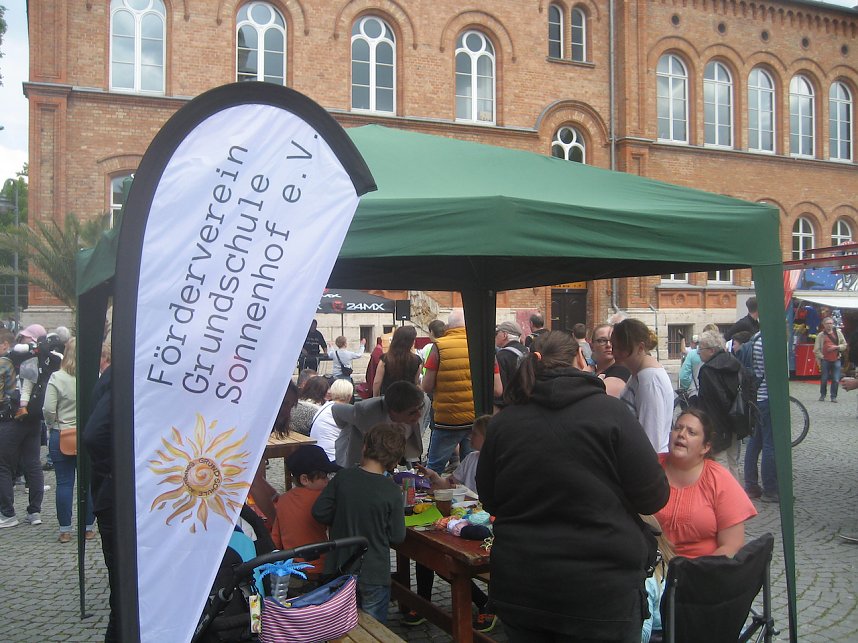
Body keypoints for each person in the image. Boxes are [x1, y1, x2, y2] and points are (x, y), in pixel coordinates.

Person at [476, 330, 669, 642]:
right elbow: (653, 496)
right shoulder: (612, 413)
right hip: (601, 590)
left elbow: (490, 498)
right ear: (581, 358)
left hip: (524, 585)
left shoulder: (503, 423)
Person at [312, 423, 407, 624]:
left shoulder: (343, 477)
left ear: (364, 447)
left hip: (339, 566)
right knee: (373, 629)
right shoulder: (391, 490)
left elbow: (319, 512)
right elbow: (397, 536)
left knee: (339, 627)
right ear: (394, 460)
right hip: (374, 570)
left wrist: (341, 517)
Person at [411, 414, 496, 632]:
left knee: (447, 560)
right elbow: (449, 485)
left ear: (487, 437)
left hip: (485, 528)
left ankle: (488, 604)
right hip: (461, 522)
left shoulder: (499, 463)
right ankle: (423, 601)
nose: (470, 436)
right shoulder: (471, 458)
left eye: (475, 433)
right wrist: (433, 476)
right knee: (428, 549)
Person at [655, 409, 757, 558]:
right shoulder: (650, 467)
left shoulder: (719, 479)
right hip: (649, 566)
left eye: (691, 432)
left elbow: (732, 545)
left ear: (705, 447)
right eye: (677, 428)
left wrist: (701, 569)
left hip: (703, 568)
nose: (681, 434)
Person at [43, 338, 95, 543]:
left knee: (64, 483)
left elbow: (48, 408)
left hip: (62, 431)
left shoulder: (57, 377)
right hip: (87, 432)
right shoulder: (93, 376)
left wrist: (52, 423)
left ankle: (65, 529)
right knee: (88, 483)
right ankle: (88, 527)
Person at [270, 445, 341, 576]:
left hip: (292, 568)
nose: (328, 481)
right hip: (321, 567)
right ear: (305, 479)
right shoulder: (323, 499)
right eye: (324, 477)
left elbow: (276, 540)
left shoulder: (283, 500)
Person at [421, 309, 475, 474]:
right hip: (475, 419)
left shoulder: (439, 346)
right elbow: (497, 389)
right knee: (471, 469)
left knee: (434, 468)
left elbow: (426, 386)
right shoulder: (480, 345)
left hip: (448, 419)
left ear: (448, 326)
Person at [612, 318, 674, 454]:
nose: (615, 352)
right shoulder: (639, 373)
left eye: (622, 348)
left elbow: (651, 439)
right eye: (614, 346)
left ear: (640, 348)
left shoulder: (650, 380)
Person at [332, 380, 428, 467]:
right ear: (393, 412)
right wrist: (345, 428)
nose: (419, 415)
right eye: (412, 413)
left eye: (419, 409)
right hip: (358, 457)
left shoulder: (421, 403)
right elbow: (336, 409)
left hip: (388, 457)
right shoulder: (365, 412)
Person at [0, 329, 38, 529]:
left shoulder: (4, 363)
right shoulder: (33, 360)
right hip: (32, 416)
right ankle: (35, 512)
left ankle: (7, 513)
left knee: (3, 465)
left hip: (11, 418)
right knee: (33, 464)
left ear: (5, 344)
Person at [695, 330, 743, 478]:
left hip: (717, 423)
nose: (698, 353)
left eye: (700, 349)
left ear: (711, 350)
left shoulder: (708, 370)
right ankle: (736, 491)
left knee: (718, 463)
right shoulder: (734, 362)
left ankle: (723, 492)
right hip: (736, 419)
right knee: (733, 462)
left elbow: (714, 400)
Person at [743, 332, 779, 503]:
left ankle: (751, 485)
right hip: (767, 398)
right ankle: (770, 489)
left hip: (758, 397)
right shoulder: (767, 340)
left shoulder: (756, 337)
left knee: (754, 443)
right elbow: (773, 372)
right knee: (769, 444)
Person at [309, 379, 355, 461]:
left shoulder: (325, 406)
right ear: (350, 396)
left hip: (316, 453)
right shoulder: (346, 411)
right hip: (332, 458)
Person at [372, 325, 421, 397]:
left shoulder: (385, 359)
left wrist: (375, 397)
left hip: (388, 398)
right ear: (411, 342)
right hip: (409, 398)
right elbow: (416, 382)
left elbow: (377, 382)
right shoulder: (417, 360)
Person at [494, 320, 527, 409]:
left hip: (508, 406)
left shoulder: (501, 356)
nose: (495, 336)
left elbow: (501, 389)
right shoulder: (527, 351)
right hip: (525, 403)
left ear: (504, 335)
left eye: (497, 333)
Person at [591, 323, 631, 397]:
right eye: (602, 340)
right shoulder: (592, 371)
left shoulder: (621, 371)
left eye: (613, 341)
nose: (608, 345)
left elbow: (597, 399)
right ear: (592, 346)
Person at [814, 316, 846, 402]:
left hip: (836, 359)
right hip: (825, 360)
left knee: (836, 379)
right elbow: (816, 349)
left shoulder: (838, 333)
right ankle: (823, 395)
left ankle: (833, 396)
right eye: (827, 323)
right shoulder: (820, 335)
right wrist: (822, 357)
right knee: (824, 379)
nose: (829, 325)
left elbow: (844, 345)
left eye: (831, 323)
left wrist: (836, 347)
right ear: (824, 324)